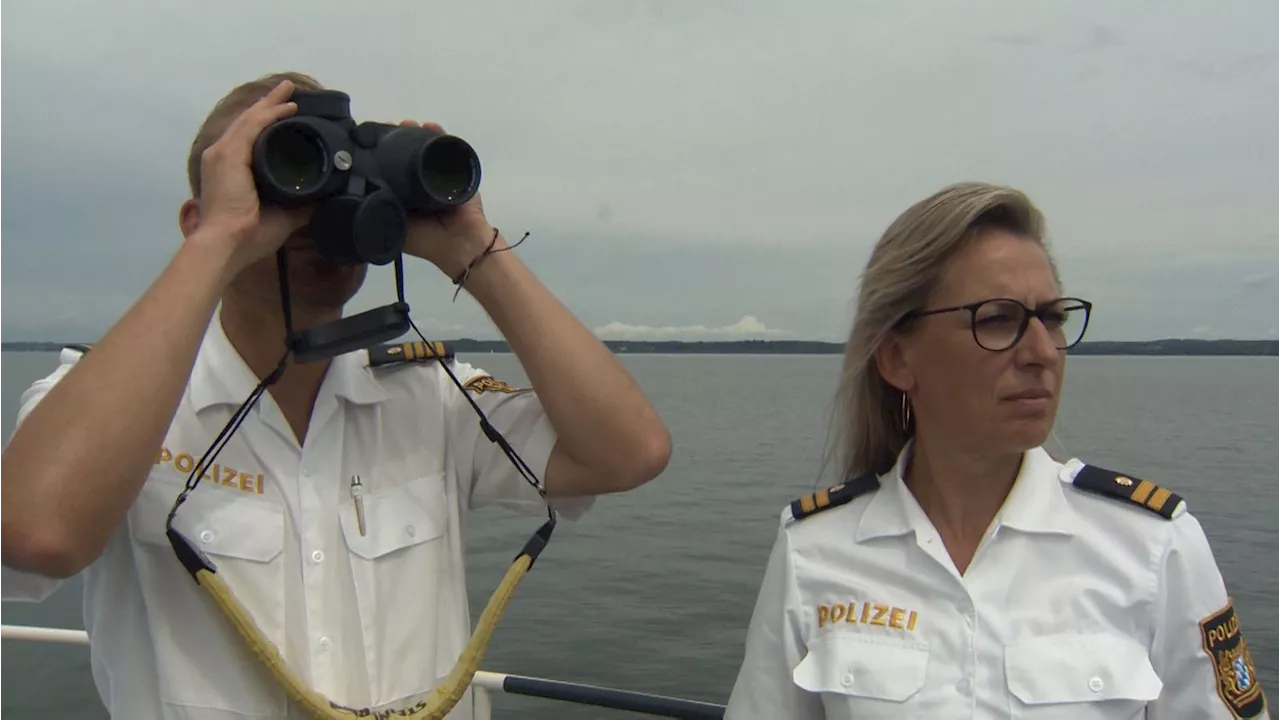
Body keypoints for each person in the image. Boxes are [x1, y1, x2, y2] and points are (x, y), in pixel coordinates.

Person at [0, 72, 672, 719]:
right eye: (285, 181)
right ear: (195, 218)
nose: (311, 221)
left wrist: (469, 244)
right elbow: (41, 534)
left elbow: (628, 453)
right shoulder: (108, 407)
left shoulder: (429, 398)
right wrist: (220, 241)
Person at [723, 181, 1268, 719]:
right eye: (998, 319)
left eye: (1052, 318)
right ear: (897, 359)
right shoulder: (816, 551)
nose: (1042, 352)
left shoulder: (1152, 547)